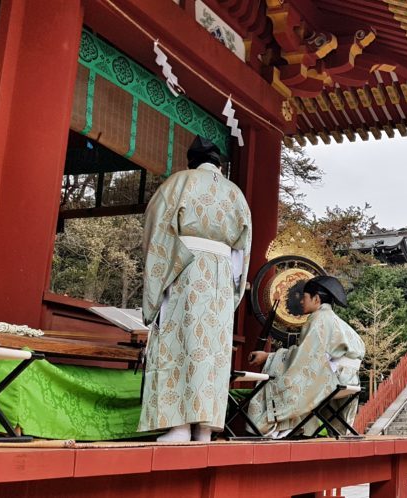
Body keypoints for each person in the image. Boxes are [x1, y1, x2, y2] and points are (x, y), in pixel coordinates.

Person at [139, 136, 252, 443]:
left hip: (184, 269)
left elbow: (158, 232)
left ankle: (178, 427)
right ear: (219, 164)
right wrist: (230, 289)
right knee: (211, 350)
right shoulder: (236, 194)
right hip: (220, 277)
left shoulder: (177, 184)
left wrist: (157, 284)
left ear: (192, 161)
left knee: (180, 343)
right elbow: (242, 251)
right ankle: (205, 429)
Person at [247, 276, 365, 438]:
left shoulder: (319, 319)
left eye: (304, 297)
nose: (301, 302)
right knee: (299, 377)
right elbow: (309, 355)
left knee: (278, 377)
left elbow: (304, 358)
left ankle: (283, 427)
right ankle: (300, 429)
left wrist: (269, 357)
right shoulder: (338, 322)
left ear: (316, 298)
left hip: (334, 379)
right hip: (350, 380)